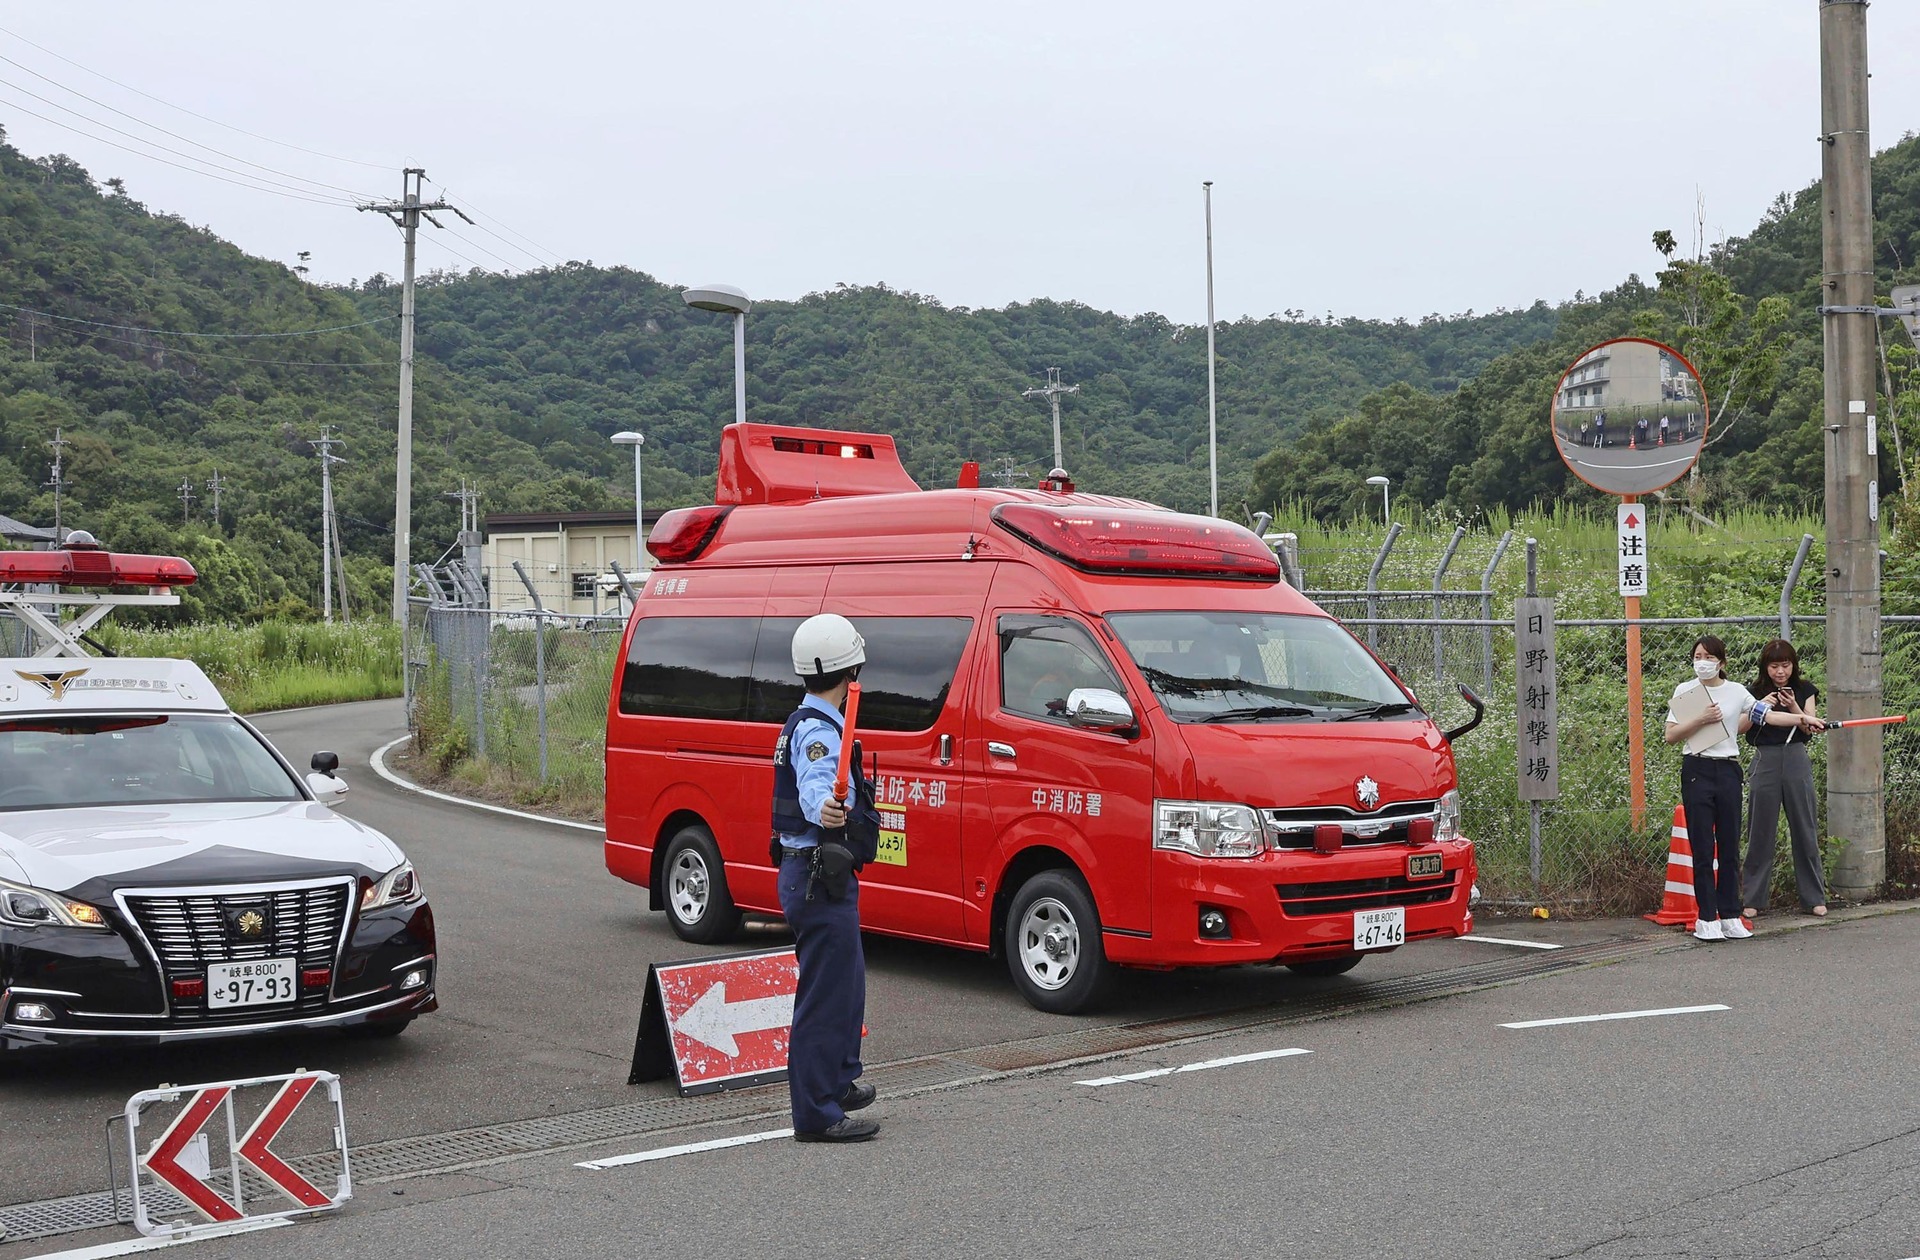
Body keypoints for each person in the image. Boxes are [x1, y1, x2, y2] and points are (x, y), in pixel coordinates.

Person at [772, 613, 881, 1142]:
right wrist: (828, 810)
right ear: (849, 668)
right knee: (824, 997)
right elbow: (819, 787)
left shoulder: (816, 719)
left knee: (847, 986)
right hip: (816, 877)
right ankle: (816, 1112)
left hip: (818, 877)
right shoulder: (817, 730)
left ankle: (838, 1080)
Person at [1661, 635, 1802, 942]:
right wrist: (1701, 717)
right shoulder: (1686, 691)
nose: (1703, 662)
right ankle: (1706, 917)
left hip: (1727, 768)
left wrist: (1803, 718)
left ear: (1722, 663)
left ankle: (1729, 914)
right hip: (1697, 768)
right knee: (1702, 846)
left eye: (1710, 657)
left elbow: (1764, 715)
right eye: (1698, 656)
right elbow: (1671, 736)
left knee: (1729, 846)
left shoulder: (1736, 691)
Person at [1741, 639, 1828, 919]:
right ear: (1765, 667)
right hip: (1764, 759)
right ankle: (1753, 899)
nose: (1780, 672)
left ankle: (1814, 897)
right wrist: (1760, 706)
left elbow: (1811, 725)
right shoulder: (1752, 692)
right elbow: (1739, 727)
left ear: (1794, 665)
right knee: (1760, 830)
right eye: (1775, 666)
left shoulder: (1805, 689)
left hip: (1796, 758)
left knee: (1805, 827)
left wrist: (1793, 707)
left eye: (1786, 665)